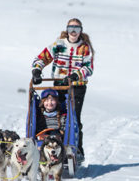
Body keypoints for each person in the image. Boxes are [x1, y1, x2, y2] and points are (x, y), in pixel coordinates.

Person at [31, 18, 95, 157]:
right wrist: (37, 70)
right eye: (70, 28)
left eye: (76, 29)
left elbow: (89, 68)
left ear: (81, 31)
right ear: (66, 30)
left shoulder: (84, 48)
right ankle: (55, 142)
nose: (73, 32)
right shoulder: (59, 45)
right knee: (57, 114)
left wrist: (75, 75)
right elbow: (41, 58)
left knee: (74, 117)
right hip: (59, 85)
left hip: (76, 87)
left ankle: (76, 148)